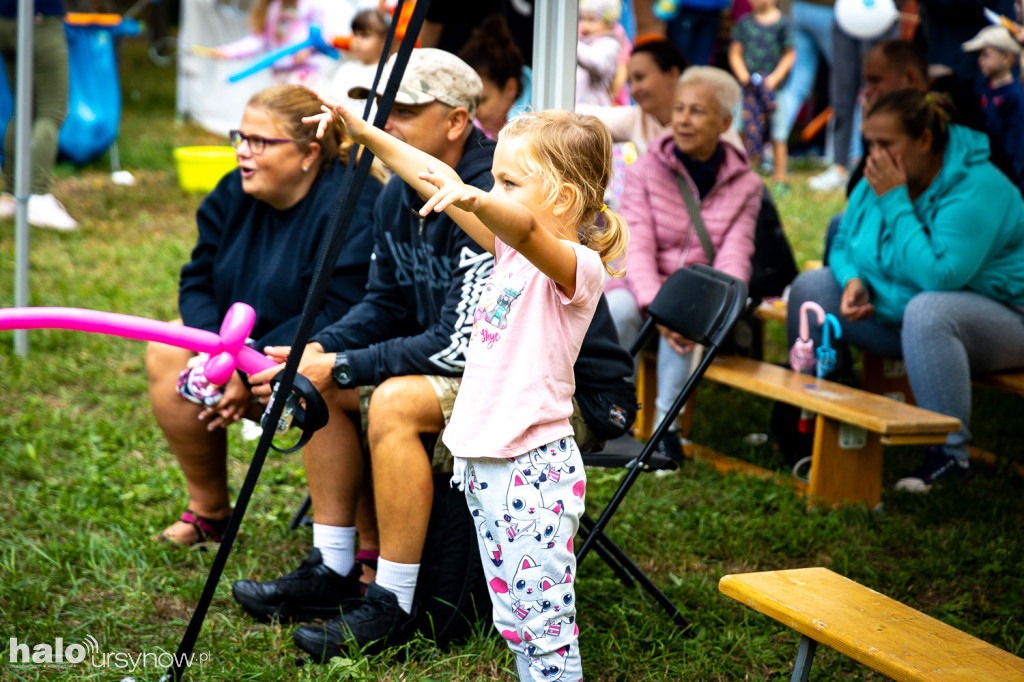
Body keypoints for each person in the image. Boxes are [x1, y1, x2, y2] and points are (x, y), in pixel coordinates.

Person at [234, 50, 637, 666]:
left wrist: (470, 197)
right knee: (513, 613)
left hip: (534, 465)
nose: (489, 190)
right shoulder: (509, 250)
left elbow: (526, 231)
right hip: (487, 456)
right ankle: (349, 567)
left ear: (561, 195)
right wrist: (366, 133)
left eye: (508, 182)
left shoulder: (574, 267)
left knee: (544, 619)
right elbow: (430, 179)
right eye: (492, 180)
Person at [148, 84, 383, 547]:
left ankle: (361, 541)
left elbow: (341, 311)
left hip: (315, 355)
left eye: (259, 142)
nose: (241, 152)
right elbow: (196, 280)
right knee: (165, 349)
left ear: (308, 153)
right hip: (233, 355)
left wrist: (248, 363)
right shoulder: (232, 191)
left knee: (323, 377)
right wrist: (217, 357)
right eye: (240, 137)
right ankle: (209, 511)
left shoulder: (351, 205)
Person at [786, 89, 1024, 492]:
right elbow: (843, 241)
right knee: (811, 286)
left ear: (925, 141)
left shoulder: (978, 187)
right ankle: (811, 425)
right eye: (869, 143)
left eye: (886, 144)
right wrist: (853, 282)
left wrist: (896, 201)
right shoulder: (879, 175)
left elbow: (940, 276)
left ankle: (949, 457)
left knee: (929, 310)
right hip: (904, 315)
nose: (874, 155)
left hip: (1000, 319)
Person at [607, 66, 763, 463]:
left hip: (696, 289)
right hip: (636, 283)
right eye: (678, 109)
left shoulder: (747, 184)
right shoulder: (645, 168)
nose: (682, 119)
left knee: (689, 318)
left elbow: (735, 254)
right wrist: (659, 305)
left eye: (697, 111)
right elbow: (635, 245)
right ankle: (615, 414)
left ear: (724, 122)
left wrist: (709, 309)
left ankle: (665, 429)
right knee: (620, 310)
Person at [0, 0, 77, 231]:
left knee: (25, 110)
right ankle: (37, 197)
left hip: (5, 20)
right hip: (40, 20)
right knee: (51, 113)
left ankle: (12, 195)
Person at [728, 0, 795, 194]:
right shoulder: (744, 23)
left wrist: (774, 79)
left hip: (774, 90)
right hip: (748, 90)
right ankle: (738, 173)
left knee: (778, 134)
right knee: (740, 129)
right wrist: (743, 76)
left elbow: (789, 54)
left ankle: (780, 178)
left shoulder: (783, 24)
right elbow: (735, 52)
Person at [210, 0, 356, 88]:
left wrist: (310, 49)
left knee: (297, 115)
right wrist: (229, 51)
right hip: (279, 73)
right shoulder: (271, 7)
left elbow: (324, 34)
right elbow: (258, 39)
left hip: (304, 72)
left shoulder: (311, 5)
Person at [961, 25, 1024, 194]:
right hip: (983, 162)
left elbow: (1017, 141)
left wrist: (1009, 173)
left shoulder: (1015, 97)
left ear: (1006, 58)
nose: (980, 60)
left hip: (1005, 174)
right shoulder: (981, 87)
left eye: (986, 55)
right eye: (979, 55)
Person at [457, 14, 530, 140]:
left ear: (511, 88)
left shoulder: (533, 130)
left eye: (483, 100)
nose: (474, 111)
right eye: (469, 102)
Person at [327, 7, 390, 116]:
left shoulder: (387, 73)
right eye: (355, 34)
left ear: (384, 39)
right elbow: (332, 101)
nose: (357, 41)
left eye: (365, 35)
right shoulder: (346, 69)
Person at [576, 0, 624, 106]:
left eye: (592, 20)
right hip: (579, 105)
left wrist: (573, 44)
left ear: (609, 24)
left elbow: (596, 64)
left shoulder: (610, 45)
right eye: (583, 19)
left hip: (595, 107)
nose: (585, 25)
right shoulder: (584, 42)